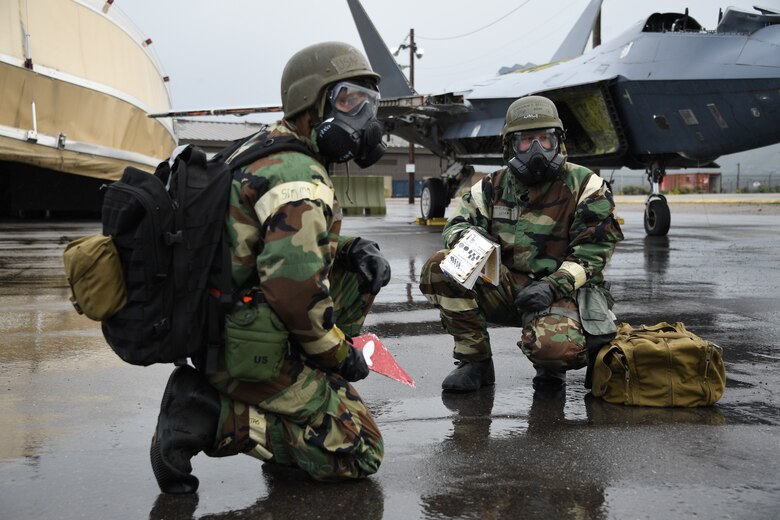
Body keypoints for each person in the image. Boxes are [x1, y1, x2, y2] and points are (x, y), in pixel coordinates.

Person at [150, 41, 391, 494]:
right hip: (242, 345)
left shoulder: (264, 146)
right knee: (360, 449)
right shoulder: (299, 175)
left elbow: (273, 248)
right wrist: (342, 356)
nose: (363, 117)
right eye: (348, 100)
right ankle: (207, 414)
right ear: (311, 104)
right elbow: (293, 292)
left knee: (361, 266)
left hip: (225, 322)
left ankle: (294, 396)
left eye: (368, 103)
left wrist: (352, 247)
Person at [419, 95, 623, 393]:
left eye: (546, 138)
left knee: (554, 350)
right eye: (527, 140)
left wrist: (554, 285)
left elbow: (594, 253)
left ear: (559, 142)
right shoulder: (491, 186)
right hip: (508, 287)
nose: (538, 148)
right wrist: (471, 239)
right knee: (443, 266)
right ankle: (474, 361)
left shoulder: (586, 185)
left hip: (561, 293)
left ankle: (551, 367)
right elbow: (457, 224)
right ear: (510, 145)